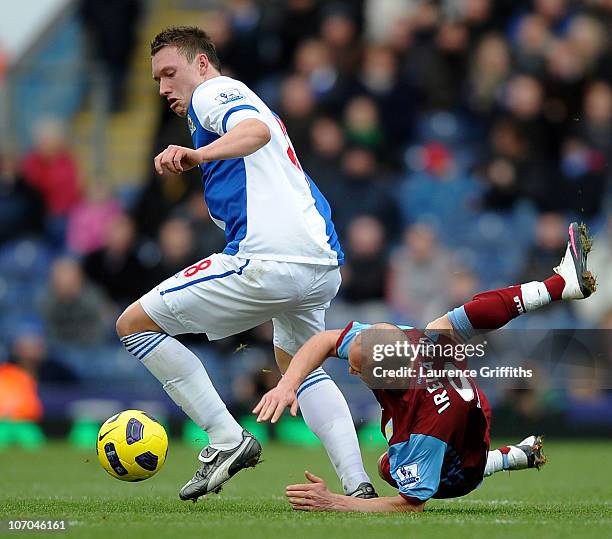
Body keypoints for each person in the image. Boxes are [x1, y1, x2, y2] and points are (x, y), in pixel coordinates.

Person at [115, 26, 373, 502]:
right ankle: (357, 485)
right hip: (320, 263)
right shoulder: (228, 103)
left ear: (201, 64)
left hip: (268, 260)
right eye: (156, 80)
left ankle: (225, 438)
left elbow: (253, 131)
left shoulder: (215, 92)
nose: (164, 88)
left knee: (133, 325)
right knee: (300, 365)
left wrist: (196, 155)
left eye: (170, 73)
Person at [254, 222, 595, 512]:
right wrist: (288, 384)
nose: (352, 370)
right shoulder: (404, 340)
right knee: (442, 324)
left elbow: (410, 504)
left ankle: (501, 458)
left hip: (461, 465)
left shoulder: (426, 429)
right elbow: (326, 341)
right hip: (463, 404)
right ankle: (556, 286)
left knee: (389, 466)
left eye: (357, 369)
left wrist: (336, 502)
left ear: (385, 376)